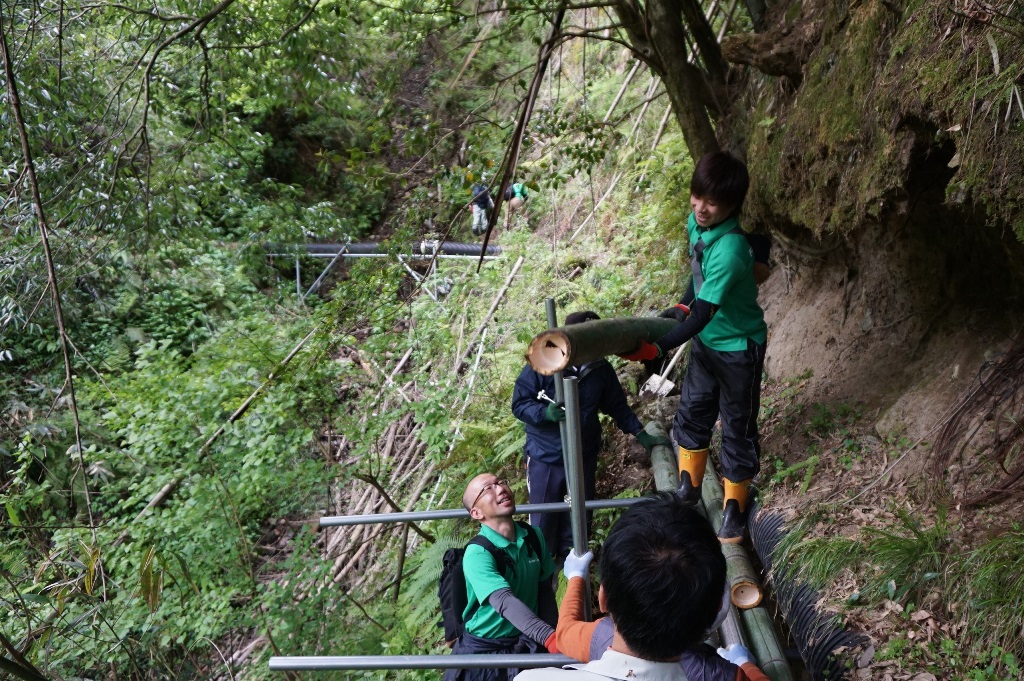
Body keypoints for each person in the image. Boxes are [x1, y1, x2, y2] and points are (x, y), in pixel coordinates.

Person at [619, 151, 767, 544]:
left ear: (732, 206)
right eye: (696, 197)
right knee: (693, 412)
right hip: (706, 343)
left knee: (736, 425)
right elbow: (697, 283)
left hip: (738, 347)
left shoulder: (732, 249)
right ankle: (689, 488)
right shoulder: (697, 225)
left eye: (712, 203)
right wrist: (681, 306)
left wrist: (658, 349)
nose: (701, 208)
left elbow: (704, 312)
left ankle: (734, 508)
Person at [515, 493, 765, 680]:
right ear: (716, 611)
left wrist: (576, 578)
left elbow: (566, 632)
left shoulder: (532, 679)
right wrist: (744, 663)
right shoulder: (719, 672)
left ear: (603, 599)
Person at [511, 311, 670, 558]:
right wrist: (544, 413)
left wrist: (641, 434)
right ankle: (543, 570)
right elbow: (520, 403)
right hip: (546, 455)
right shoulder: (543, 364)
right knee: (543, 519)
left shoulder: (599, 368)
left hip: (582, 453)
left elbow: (617, 406)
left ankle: (573, 568)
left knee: (579, 518)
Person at [445, 473, 559, 681]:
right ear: (476, 513)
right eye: (487, 489)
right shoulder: (478, 553)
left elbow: (544, 590)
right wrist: (549, 637)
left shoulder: (533, 536)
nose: (500, 488)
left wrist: (554, 632)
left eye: (500, 482)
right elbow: (504, 601)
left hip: (527, 641)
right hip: (485, 651)